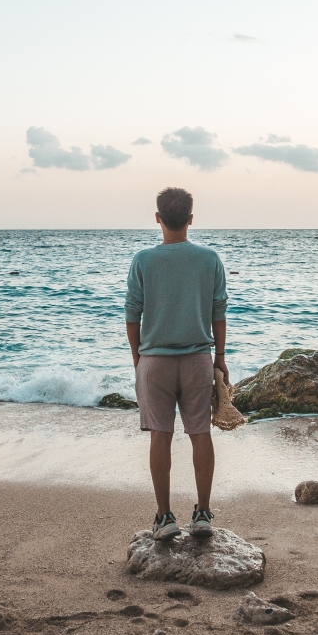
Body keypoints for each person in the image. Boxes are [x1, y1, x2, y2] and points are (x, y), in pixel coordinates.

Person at [125, 187, 229, 541]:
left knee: (160, 435)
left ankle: (164, 516)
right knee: (201, 433)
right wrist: (221, 357)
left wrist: (139, 359)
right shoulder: (210, 259)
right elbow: (219, 313)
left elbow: (132, 315)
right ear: (190, 219)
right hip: (198, 359)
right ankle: (201, 513)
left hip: (155, 361)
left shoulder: (143, 260)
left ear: (158, 218)